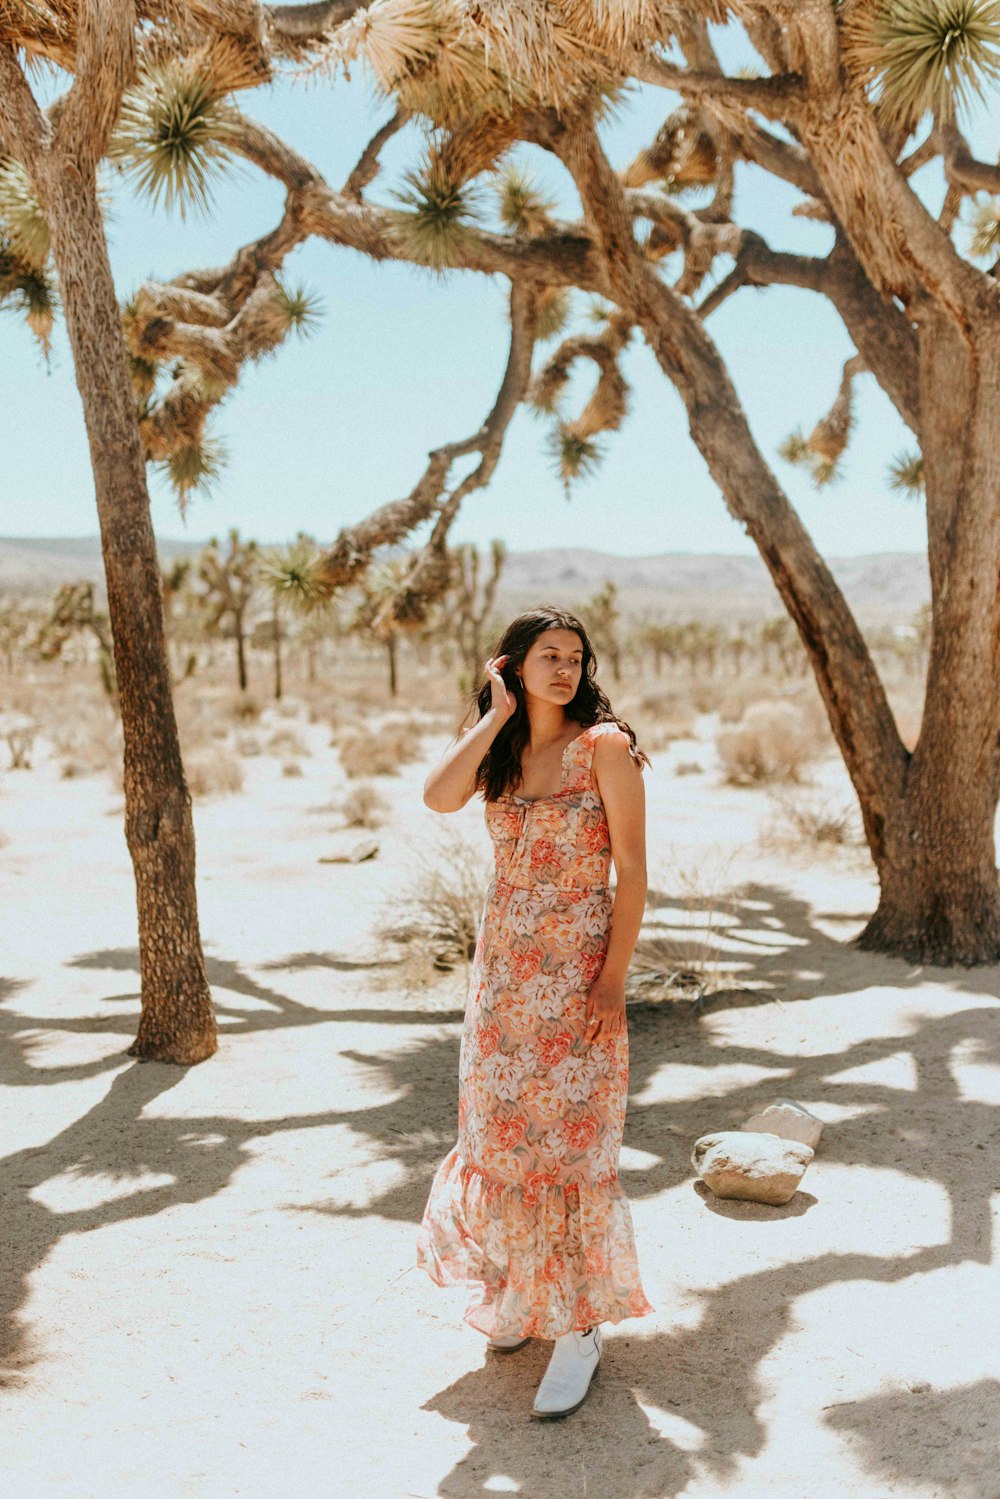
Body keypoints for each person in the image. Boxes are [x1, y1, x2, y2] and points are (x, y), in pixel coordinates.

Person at [416, 605, 655, 1419]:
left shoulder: (606, 747)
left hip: (577, 966)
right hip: (504, 972)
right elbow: (438, 795)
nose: (566, 669)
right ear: (512, 665)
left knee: (572, 1143)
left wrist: (613, 978)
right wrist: (495, 716)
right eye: (548, 655)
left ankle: (580, 1324)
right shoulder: (506, 746)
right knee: (501, 1132)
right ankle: (525, 1295)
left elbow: (632, 872)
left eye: (576, 657)